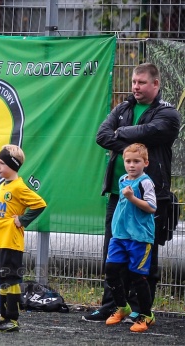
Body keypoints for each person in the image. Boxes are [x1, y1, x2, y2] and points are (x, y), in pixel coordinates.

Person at [85, 63, 181, 323]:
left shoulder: (167, 114)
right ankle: (113, 305)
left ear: (155, 84)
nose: (136, 87)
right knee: (113, 254)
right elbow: (102, 136)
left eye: (141, 82)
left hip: (150, 199)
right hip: (118, 197)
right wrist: (134, 144)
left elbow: (154, 132)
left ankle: (141, 309)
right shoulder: (123, 108)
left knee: (143, 256)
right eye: (134, 82)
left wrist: (122, 132)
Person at [0, 144, 47, 332]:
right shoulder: (4, 185)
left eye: (2, 163)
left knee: (11, 280)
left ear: (14, 165)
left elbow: (40, 204)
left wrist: (22, 220)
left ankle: (13, 319)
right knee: (3, 280)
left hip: (11, 241)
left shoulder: (19, 186)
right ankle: (3, 316)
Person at [104, 143, 157, 332]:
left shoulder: (145, 182)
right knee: (111, 269)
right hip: (120, 236)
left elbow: (151, 207)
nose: (132, 165)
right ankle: (122, 307)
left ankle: (147, 316)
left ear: (146, 163)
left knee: (138, 276)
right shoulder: (122, 179)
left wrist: (133, 198)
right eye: (128, 161)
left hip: (140, 238)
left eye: (136, 161)